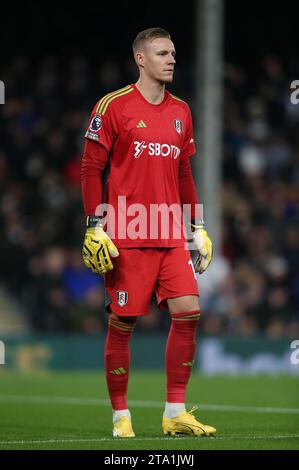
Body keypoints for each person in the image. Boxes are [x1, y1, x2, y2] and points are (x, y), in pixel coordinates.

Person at [81, 27, 215, 438]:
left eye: (173, 53)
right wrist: (93, 225)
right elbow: (91, 168)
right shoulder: (114, 106)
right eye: (162, 53)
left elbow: (184, 172)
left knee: (189, 312)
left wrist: (198, 224)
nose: (171, 59)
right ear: (141, 59)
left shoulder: (182, 111)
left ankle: (174, 412)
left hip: (171, 232)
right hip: (128, 234)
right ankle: (121, 416)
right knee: (123, 323)